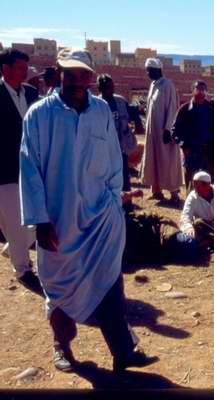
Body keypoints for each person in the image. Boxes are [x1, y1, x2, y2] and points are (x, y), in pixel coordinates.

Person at [19, 48, 157, 373]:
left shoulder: (100, 111)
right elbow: (30, 169)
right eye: (72, 74)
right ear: (59, 72)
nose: (79, 81)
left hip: (101, 217)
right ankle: (62, 344)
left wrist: (114, 200)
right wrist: (39, 220)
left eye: (85, 75)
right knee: (59, 287)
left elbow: (112, 160)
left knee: (110, 281)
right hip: (58, 221)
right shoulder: (39, 115)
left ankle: (123, 351)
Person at [0, 49, 40, 293]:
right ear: (5, 69)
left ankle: (14, 248)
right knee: (14, 220)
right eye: (19, 68)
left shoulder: (34, 94)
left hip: (32, 167)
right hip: (4, 169)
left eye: (26, 68)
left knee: (40, 216)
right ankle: (22, 268)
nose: (25, 72)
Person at [140, 57, 182, 203]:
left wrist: (167, 129)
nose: (147, 73)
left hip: (164, 132)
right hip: (152, 132)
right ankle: (156, 191)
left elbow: (172, 108)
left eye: (149, 70)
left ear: (157, 70)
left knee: (168, 161)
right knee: (154, 159)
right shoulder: (153, 85)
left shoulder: (167, 85)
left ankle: (174, 192)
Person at [172, 80, 214, 191]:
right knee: (192, 180)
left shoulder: (212, 108)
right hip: (192, 152)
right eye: (198, 88)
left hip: (211, 151)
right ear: (192, 91)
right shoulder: (185, 109)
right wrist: (184, 146)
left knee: (211, 180)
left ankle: (208, 205)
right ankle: (191, 204)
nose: (201, 91)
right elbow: (175, 131)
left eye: (203, 89)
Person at [97, 74, 144, 195]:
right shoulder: (95, 105)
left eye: (112, 86)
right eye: (107, 87)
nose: (111, 89)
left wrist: (138, 125)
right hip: (103, 150)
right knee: (105, 178)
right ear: (100, 88)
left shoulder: (121, 101)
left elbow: (133, 113)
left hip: (120, 148)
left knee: (123, 177)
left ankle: (127, 206)